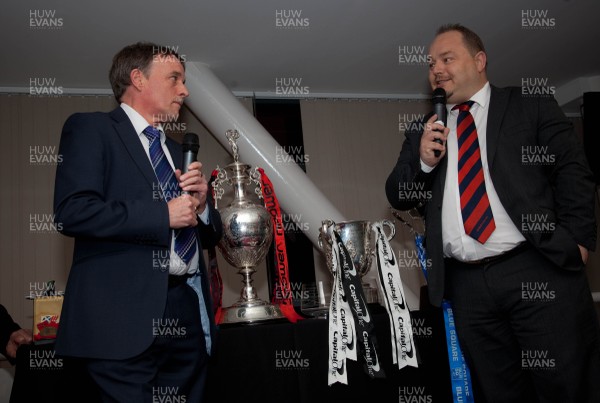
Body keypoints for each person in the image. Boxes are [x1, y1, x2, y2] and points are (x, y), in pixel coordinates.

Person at [386, 24, 600, 402]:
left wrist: (579, 240)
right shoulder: (424, 131)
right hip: (468, 288)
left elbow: (573, 170)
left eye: (447, 58)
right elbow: (398, 195)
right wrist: (423, 161)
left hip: (536, 267)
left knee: (565, 386)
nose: (436, 68)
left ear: (480, 60)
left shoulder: (528, 105)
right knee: (498, 393)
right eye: (431, 62)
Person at [53, 42, 222, 402]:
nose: (185, 90)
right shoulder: (91, 129)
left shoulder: (178, 151)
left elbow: (210, 236)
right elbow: (73, 211)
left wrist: (203, 206)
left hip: (185, 313)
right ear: (138, 80)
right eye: (174, 78)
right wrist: (163, 214)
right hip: (119, 318)